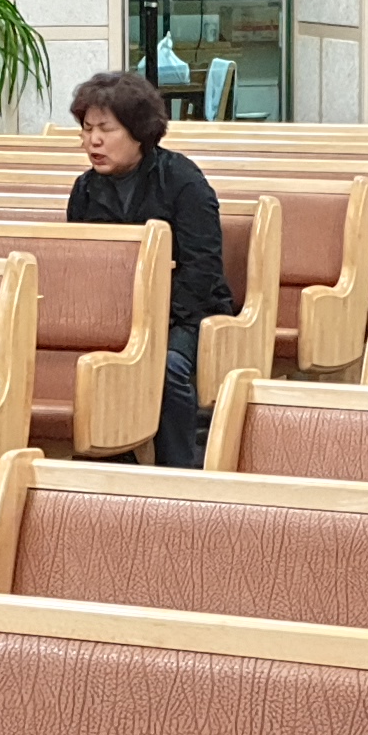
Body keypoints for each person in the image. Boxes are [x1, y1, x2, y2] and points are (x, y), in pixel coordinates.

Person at [61, 70, 232, 470]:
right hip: (112, 319)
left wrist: (151, 324)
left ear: (139, 132)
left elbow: (202, 269)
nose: (93, 141)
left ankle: (176, 474)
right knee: (86, 367)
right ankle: (108, 464)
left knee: (164, 368)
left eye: (106, 130)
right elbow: (80, 268)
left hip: (187, 316)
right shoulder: (85, 190)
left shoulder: (182, 181)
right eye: (87, 129)